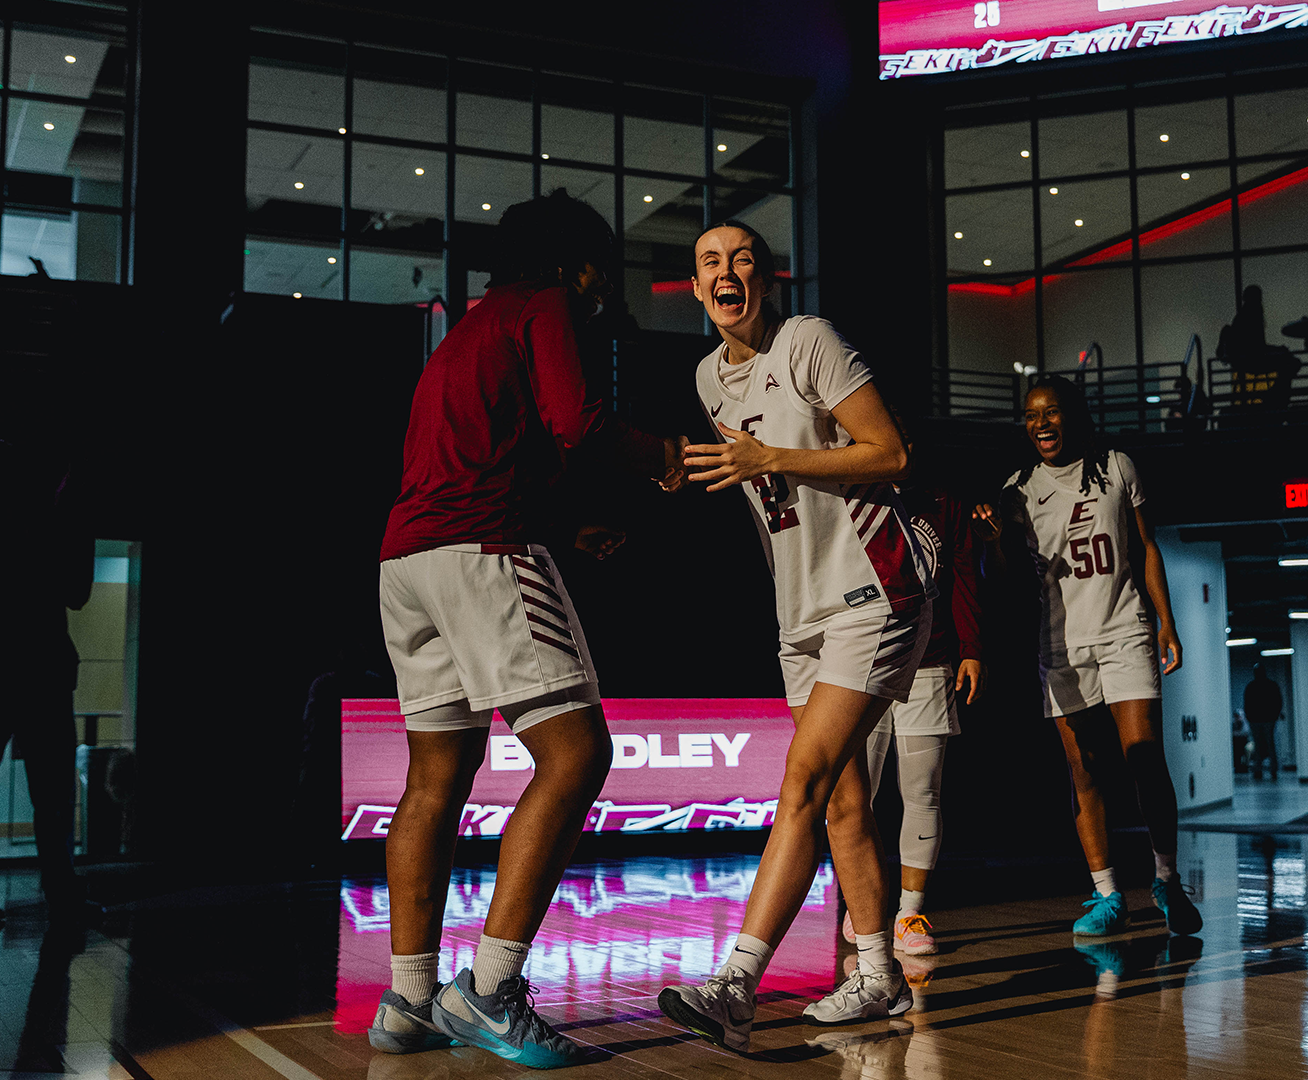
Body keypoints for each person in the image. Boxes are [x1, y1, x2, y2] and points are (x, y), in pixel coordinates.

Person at [370, 190, 683, 1067]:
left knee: (436, 778)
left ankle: (409, 998)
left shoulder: (470, 327)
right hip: (479, 549)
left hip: (407, 562)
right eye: (597, 265)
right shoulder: (543, 305)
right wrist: (663, 459)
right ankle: (493, 990)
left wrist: (562, 526)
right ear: (568, 261)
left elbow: (483, 450)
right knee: (578, 755)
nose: (599, 284)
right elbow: (575, 421)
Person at [658, 220, 935, 1052]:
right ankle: (879, 976)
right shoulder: (709, 376)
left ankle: (738, 982)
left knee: (804, 779)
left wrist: (772, 457)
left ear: (767, 277)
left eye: (742, 258)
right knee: (844, 798)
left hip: (875, 582)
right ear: (697, 288)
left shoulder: (809, 341)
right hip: (804, 606)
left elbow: (892, 452)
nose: (726, 271)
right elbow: (760, 492)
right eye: (711, 262)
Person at [973, 375, 1203, 940]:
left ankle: (1167, 879)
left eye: (1051, 412)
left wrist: (1165, 620)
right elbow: (1004, 584)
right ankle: (1107, 895)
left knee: (1145, 760)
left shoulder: (1117, 466)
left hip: (1124, 629)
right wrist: (994, 543)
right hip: (1061, 644)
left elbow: (1146, 545)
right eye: (1031, 415)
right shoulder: (1016, 491)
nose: (1041, 423)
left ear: (1073, 416)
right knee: (1084, 773)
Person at [839, 438, 985, 958]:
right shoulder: (847, 496)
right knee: (860, 794)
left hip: (931, 660)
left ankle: (910, 911)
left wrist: (971, 648)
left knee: (922, 792)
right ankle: (865, 907)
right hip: (865, 663)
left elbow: (965, 575)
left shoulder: (944, 502)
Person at [0, 441, 92, 925]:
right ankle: (62, 896)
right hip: (44, 671)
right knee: (52, 793)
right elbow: (77, 594)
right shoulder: (63, 524)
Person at [1242, 664, 1283, 780]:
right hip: (1267, 718)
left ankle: (1259, 769)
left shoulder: (1251, 686)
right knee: (1270, 744)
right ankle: (1272, 769)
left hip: (1257, 719)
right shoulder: (1271, 685)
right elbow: (1278, 701)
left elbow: (1247, 703)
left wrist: (1249, 717)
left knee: (1258, 745)